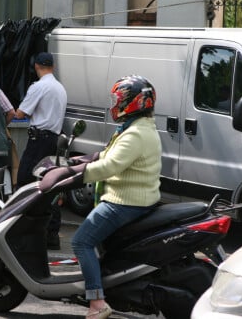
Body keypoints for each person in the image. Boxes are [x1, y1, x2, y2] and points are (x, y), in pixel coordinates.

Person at [40, 75, 161, 319]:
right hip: (134, 199)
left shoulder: (135, 133)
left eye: (118, 99)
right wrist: (83, 159)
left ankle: (97, 302)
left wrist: (74, 174)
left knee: (81, 241)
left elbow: (110, 167)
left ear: (133, 102)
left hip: (124, 202)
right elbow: (109, 155)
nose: (113, 104)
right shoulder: (136, 128)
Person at [15, 51, 67, 250]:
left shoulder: (38, 87)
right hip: (54, 140)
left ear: (36, 66)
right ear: (52, 67)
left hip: (39, 141)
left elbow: (22, 113)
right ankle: (51, 234)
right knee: (51, 185)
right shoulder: (60, 88)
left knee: (24, 182)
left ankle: (24, 231)